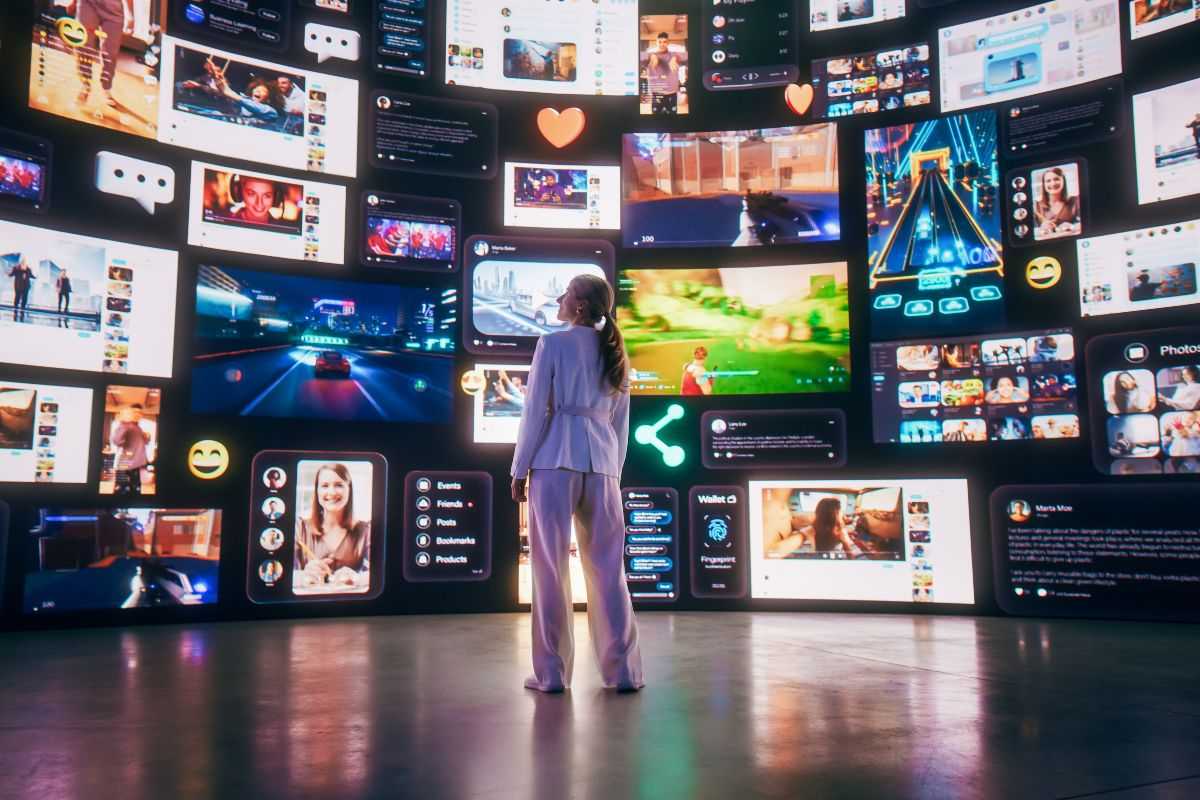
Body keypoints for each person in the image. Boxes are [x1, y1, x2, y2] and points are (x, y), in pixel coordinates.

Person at [510, 273, 643, 693]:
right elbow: (620, 426)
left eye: (566, 293)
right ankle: (622, 672)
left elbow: (534, 413)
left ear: (580, 306)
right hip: (602, 467)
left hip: (553, 463)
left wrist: (518, 469)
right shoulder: (618, 353)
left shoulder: (552, 344)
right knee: (608, 571)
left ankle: (551, 674)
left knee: (549, 569)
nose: (559, 299)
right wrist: (613, 474)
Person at [295, 463, 370, 588]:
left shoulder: (366, 530)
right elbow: (280, 572)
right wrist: (303, 575)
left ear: (349, 489)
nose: (332, 492)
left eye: (339, 485)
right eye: (324, 486)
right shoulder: (299, 527)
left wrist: (357, 578)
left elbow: (379, 574)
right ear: (317, 491)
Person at [75, 0, 134, 109]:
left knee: (111, 52)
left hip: (114, 9)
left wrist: (129, 13)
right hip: (88, 4)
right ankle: (85, 84)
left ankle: (106, 88)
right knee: (83, 44)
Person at [110, 404, 149, 495]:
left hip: (136, 465)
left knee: (135, 491)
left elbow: (141, 443)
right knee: (120, 491)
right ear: (130, 413)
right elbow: (116, 441)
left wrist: (146, 437)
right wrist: (124, 424)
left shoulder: (138, 427)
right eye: (135, 412)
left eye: (140, 413)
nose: (138, 414)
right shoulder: (125, 425)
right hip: (124, 464)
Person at [644, 32, 685, 115]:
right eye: (660, 42)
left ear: (668, 43)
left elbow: (688, 56)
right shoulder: (650, 55)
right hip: (657, 93)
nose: (662, 44)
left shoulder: (674, 55)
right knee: (656, 118)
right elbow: (638, 56)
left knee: (672, 117)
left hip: (672, 93)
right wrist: (650, 56)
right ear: (656, 42)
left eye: (664, 42)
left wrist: (676, 57)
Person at [1033, 168, 1081, 238]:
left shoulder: (1075, 201)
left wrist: (1072, 226)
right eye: (1048, 181)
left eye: (1056, 179)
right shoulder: (1036, 206)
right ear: (1044, 184)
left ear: (1063, 181)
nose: (1053, 183)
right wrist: (1042, 228)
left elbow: (1085, 223)